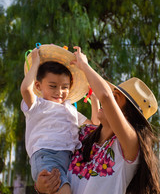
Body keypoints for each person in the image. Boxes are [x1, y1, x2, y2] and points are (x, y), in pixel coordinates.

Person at [36, 46, 160, 194]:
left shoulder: (130, 145)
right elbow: (54, 160)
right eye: (111, 95)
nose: (106, 101)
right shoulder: (83, 134)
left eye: (116, 99)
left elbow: (105, 97)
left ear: (126, 115)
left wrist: (84, 66)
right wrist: (41, 186)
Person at [20, 44, 99, 194]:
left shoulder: (70, 110)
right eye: (53, 86)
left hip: (68, 160)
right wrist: (35, 63)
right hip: (47, 155)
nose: (59, 92)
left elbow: (95, 126)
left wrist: (94, 100)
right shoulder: (38, 105)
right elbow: (25, 89)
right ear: (38, 85)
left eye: (64, 87)